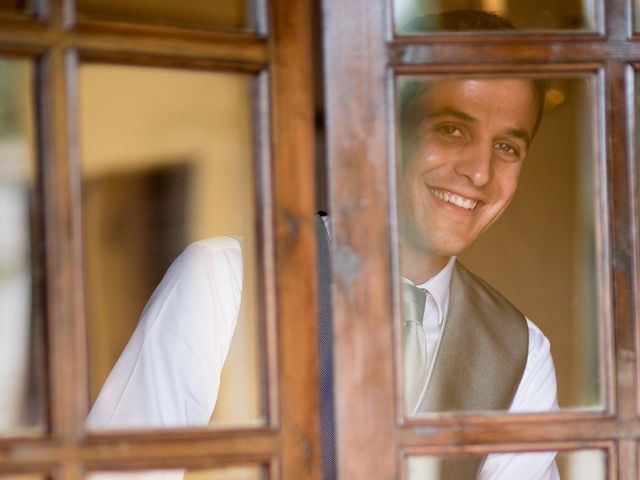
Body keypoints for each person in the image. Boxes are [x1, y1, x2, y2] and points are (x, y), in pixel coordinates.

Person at [87, 9, 559, 480]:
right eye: (451, 129)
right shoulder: (224, 283)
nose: (479, 172)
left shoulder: (522, 355)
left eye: (507, 148)